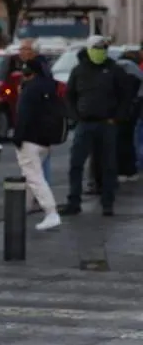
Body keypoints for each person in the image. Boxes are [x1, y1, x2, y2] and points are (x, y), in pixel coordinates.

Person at [62, 36, 132, 216]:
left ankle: (107, 203)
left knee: (108, 165)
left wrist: (117, 118)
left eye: (103, 48)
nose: (100, 51)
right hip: (84, 124)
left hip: (106, 124)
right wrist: (75, 116)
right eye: (97, 47)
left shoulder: (114, 70)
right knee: (76, 163)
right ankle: (74, 202)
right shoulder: (79, 70)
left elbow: (126, 96)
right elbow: (69, 95)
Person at [12, 58, 62, 230]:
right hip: (45, 141)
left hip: (29, 140)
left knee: (34, 177)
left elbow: (23, 115)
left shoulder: (30, 89)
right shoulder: (50, 87)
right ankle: (21, 209)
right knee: (30, 176)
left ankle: (51, 212)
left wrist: (17, 137)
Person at [17, 38, 54, 184]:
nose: (21, 52)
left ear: (33, 51)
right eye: (21, 49)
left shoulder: (39, 67)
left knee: (39, 162)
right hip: (37, 120)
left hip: (39, 121)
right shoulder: (29, 66)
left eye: (24, 49)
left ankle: (42, 195)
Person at [114, 49, 143, 182]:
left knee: (122, 140)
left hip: (122, 110)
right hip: (134, 109)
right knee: (130, 140)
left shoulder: (119, 67)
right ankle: (130, 170)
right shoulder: (135, 70)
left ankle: (124, 170)